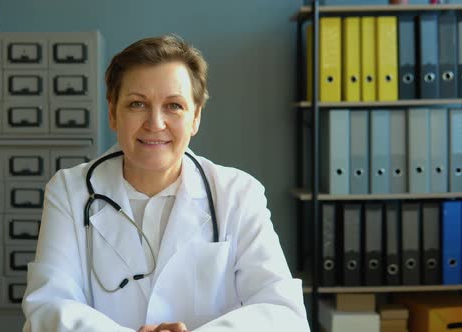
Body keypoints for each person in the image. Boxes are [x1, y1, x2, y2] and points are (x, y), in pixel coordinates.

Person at [22, 34, 310, 332]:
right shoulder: (70, 191)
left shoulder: (238, 194)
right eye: (137, 104)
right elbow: (48, 307)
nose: (155, 123)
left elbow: (283, 314)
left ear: (195, 117)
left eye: (174, 106)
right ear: (112, 113)